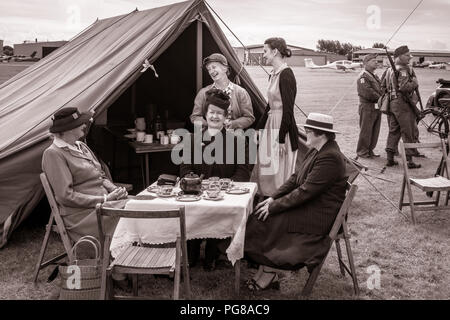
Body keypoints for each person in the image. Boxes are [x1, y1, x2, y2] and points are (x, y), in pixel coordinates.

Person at [244, 113, 347, 291]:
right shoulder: (317, 149)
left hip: (320, 214)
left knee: (271, 218)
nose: (305, 134)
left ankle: (269, 271)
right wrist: (273, 198)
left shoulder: (330, 157)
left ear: (320, 134)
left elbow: (305, 191)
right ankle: (266, 268)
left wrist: (274, 207)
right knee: (263, 213)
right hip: (312, 204)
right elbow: (295, 179)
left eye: (308, 131)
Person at [181, 89, 250, 271]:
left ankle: (214, 249)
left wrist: (223, 186)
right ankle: (192, 248)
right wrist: (196, 183)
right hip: (196, 198)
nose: (215, 116)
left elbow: (243, 173)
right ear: (205, 114)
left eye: (219, 113)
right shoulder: (192, 140)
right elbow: (185, 170)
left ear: (226, 117)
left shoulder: (238, 142)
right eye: (212, 112)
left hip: (222, 200)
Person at [42, 107, 128, 243]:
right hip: (83, 216)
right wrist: (103, 199)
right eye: (80, 123)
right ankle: (130, 255)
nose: (85, 125)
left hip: (103, 206)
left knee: (139, 204)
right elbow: (66, 196)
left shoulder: (81, 146)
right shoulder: (53, 153)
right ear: (69, 128)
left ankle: (136, 255)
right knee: (134, 211)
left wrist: (114, 190)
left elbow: (101, 175)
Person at [251, 37, 300, 197]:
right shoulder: (273, 74)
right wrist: (259, 128)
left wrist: (280, 139)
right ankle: (265, 199)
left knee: (279, 169)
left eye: (265, 51)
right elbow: (269, 105)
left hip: (281, 127)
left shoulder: (286, 75)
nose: (263, 55)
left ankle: (278, 201)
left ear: (275, 51)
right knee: (266, 167)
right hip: (271, 124)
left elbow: (288, 110)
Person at [190, 53, 255, 130]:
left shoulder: (240, 92)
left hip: (234, 137)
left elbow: (249, 118)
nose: (211, 71)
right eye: (209, 69)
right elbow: (194, 117)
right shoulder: (203, 93)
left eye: (214, 67)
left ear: (225, 68)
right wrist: (209, 124)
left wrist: (233, 124)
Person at [382, 45, 422, 168]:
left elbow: (383, 86)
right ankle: (410, 161)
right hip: (402, 103)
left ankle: (390, 158)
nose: (410, 58)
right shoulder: (403, 69)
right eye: (407, 55)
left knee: (394, 131)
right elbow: (404, 87)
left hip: (393, 102)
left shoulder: (389, 70)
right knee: (408, 130)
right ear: (399, 56)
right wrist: (414, 82)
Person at [356, 53, 382, 158]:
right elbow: (367, 92)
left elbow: (381, 88)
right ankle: (362, 151)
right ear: (366, 63)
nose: (376, 62)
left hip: (376, 106)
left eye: (376, 60)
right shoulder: (363, 76)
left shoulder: (374, 76)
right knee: (366, 130)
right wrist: (381, 97)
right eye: (373, 60)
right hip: (367, 107)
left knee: (375, 130)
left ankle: (370, 150)